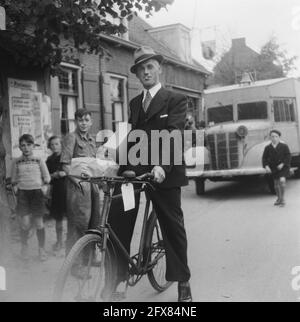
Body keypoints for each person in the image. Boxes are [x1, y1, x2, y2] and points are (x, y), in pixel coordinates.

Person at [107, 46, 192, 302]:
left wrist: (162, 166)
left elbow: (174, 134)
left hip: (164, 171)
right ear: (136, 74)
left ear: (159, 68)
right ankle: (118, 280)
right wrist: (115, 164)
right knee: (117, 217)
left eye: (149, 66)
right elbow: (129, 138)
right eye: (140, 69)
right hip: (136, 171)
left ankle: (183, 283)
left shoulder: (174, 99)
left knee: (171, 225)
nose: (145, 71)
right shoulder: (134, 103)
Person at [60, 109, 100, 256]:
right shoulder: (71, 138)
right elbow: (65, 165)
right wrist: (78, 181)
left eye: (86, 120)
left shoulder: (91, 139)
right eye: (80, 120)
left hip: (93, 185)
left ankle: (89, 258)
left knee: (94, 222)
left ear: (91, 122)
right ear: (76, 121)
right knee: (78, 224)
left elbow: (94, 163)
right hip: (78, 186)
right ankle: (75, 264)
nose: (83, 123)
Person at [11, 134, 51, 261]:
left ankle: (41, 249)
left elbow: (47, 177)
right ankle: (24, 247)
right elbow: (13, 179)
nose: (26, 148)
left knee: (39, 223)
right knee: (25, 223)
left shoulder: (39, 160)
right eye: (23, 145)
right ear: (20, 147)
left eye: (29, 145)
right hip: (23, 194)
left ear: (33, 145)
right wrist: (16, 189)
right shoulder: (16, 161)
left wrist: (44, 189)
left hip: (37, 194)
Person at [46, 136, 66, 252]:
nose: (54, 146)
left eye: (57, 144)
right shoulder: (49, 160)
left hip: (68, 189)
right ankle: (59, 241)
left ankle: (73, 242)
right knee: (58, 219)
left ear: (61, 144)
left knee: (73, 218)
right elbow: (46, 176)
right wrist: (55, 175)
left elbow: (68, 172)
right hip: (56, 191)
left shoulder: (66, 158)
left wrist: (62, 173)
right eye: (52, 144)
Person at [262, 130, 291, 207]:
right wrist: (266, 166)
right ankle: (278, 198)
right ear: (270, 137)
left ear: (279, 137)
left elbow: (288, 156)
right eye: (272, 136)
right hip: (274, 167)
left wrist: (283, 163)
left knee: (282, 181)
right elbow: (264, 158)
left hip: (283, 167)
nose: (274, 138)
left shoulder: (284, 146)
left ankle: (282, 199)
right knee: (276, 184)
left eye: (276, 136)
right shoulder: (267, 147)